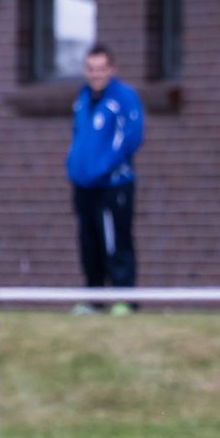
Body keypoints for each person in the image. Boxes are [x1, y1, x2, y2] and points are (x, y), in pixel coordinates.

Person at [65, 43, 145, 315]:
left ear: (111, 69)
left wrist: (103, 168)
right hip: (84, 186)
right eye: (90, 68)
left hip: (113, 185)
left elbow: (130, 139)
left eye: (101, 68)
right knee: (89, 243)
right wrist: (75, 166)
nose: (95, 74)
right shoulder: (83, 98)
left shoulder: (123, 98)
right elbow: (79, 136)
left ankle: (124, 297)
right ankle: (93, 297)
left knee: (116, 242)